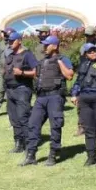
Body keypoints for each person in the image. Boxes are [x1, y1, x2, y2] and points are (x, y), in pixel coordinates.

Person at [23, 35, 74, 167]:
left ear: (55, 46)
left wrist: (58, 62)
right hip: (41, 97)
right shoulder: (42, 61)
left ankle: (53, 154)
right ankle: (31, 155)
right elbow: (36, 75)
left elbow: (69, 76)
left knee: (55, 125)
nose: (44, 47)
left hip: (55, 96)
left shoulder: (63, 59)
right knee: (33, 124)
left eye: (47, 45)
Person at [3, 30, 38, 155]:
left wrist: (22, 73)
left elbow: (36, 72)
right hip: (10, 90)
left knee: (23, 117)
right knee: (14, 118)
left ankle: (29, 144)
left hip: (22, 89)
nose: (10, 43)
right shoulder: (10, 55)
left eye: (12, 41)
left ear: (19, 41)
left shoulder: (27, 54)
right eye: (9, 41)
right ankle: (18, 143)